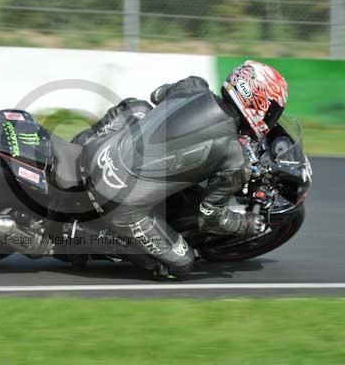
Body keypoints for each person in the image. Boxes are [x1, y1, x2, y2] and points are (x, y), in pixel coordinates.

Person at [74, 60, 288, 278]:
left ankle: (74, 148)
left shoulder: (194, 85)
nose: (272, 119)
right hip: (116, 199)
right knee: (182, 261)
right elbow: (211, 217)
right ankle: (79, 237)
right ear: (259, 104)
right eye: (273, 111)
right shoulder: (235, 159)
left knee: (138, 108)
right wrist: (245, 224)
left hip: (95, 153)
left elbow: (157, 95)